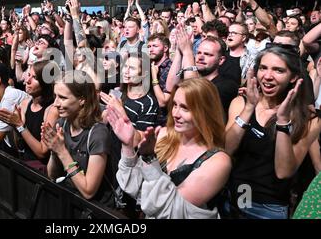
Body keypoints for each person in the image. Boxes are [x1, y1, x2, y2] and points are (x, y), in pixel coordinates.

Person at [106, 78, 231, 218]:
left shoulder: (218, 161)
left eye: (185, 108)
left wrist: (149, 159)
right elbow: (137, 189)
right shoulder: (165, 135)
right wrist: (128, 145)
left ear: (205, 111)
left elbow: (170, 210)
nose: (175, 114)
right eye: (175, 105)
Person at [225, 46, 321, 219]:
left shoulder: (309, 120)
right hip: (232, 197)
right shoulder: (241, 103)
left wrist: (283, 122)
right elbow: (226, 150)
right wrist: (248, 109)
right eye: (263, 68)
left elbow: (284, 172)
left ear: (293, 77)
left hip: (267, 208)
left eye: (278, 70)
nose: (267, 76)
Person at [42, 70, 115, 207]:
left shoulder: (98, 133)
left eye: (63, 98)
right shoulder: (62, 124)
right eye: (55, 96)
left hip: (96, 210)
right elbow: (52, 175)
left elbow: (88, 191)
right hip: (71, 201)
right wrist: (54, 150)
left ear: (82, 100)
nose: (56, 103)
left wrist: (62, 151)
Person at [0, 60, 59, 173]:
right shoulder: (25, 103)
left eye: (35, 78)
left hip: (41, 172)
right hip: (24, 163)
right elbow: (19, 145)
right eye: (28, 75)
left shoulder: (52, 110)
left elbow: (42, 152)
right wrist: (13, 125)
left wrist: (20, 125)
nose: (27, 81)